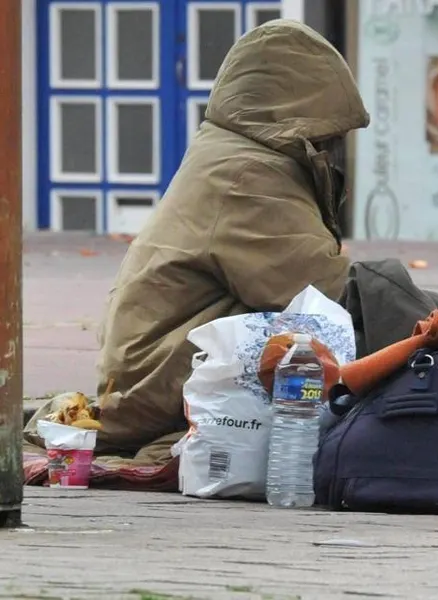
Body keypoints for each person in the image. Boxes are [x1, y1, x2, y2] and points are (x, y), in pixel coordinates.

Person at [92, 20, 369, 456]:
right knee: (320, 335)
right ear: (295, 111)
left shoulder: (232, 152)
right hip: (159, 378)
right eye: (329, 131)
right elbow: (323, 292)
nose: (332, 143)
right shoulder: (246, 174)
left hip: (151, 364)